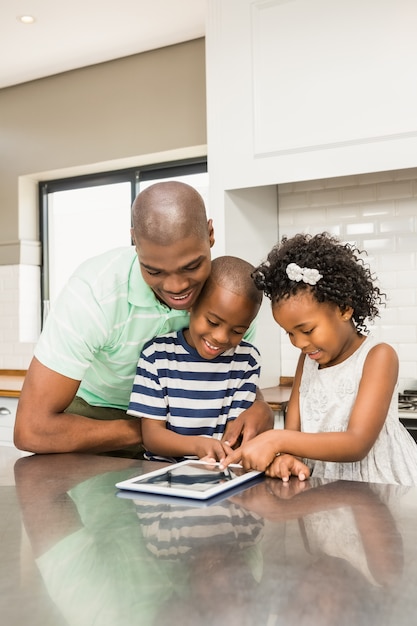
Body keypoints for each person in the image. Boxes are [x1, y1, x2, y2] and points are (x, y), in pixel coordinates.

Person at [14, 181, 273, 457]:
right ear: (134, 241)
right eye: (154, 271)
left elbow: (228, 373)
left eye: (192, 266)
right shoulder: (94, 293)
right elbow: (31, 429)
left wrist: (259, 405)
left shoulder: (230, 302)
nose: (176, 287)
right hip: (97, 418)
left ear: (210, 234)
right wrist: (155, 432)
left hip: (186, 433)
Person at [221, 232, 417, 486]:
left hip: (378, 487)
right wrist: (285, 456)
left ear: (345, 309)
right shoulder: (308, 360)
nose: (300, 343)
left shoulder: (378, 356)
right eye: (290, 333)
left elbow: (357, 443)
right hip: (323, 486)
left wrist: (276, 440)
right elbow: (294, 432)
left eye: (308, 330)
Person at [127, 256, 262, 462]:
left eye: (237, 330)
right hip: (163, 475)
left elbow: (235, 433)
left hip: (220, 471)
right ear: (192, 305)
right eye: (212, 321)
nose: (221, 337)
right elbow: (151, 436)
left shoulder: (247, 360)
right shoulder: (156, 355)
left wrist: (219, 455)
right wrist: (198, 445)